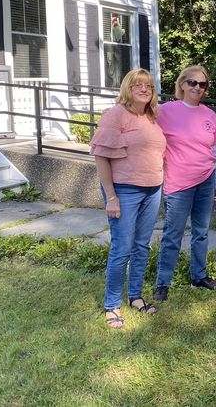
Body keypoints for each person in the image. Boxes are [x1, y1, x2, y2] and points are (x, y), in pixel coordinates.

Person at [90, 68, 166, 329]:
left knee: (142, 246)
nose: (144, 89)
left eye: (148, 86)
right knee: (122, 248)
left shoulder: (151, 117)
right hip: (124, 191)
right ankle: (112, 305)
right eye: (137, 85)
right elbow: (101, 156)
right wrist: (111, 197)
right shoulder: (116, 114)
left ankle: (135, 296)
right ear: (127, 88)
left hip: (152, 190)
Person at [153, 65, 216, 301]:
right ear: (182, 84)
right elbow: (145, 132)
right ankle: (163, 283)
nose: (197, 87)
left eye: (202, 84)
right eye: (192, 82)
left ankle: (199, 276)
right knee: (172, 234)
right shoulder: (164, 111)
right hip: (178, 184)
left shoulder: (210, 115)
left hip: (206, 180)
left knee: (201, 232)